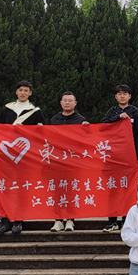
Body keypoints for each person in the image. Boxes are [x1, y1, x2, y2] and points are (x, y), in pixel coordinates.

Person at [0, 80, 44, 236]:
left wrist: (37, 129)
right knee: (5, 188)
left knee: (21, 188)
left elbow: (41, 135)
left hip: (25, 156)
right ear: (16, 92)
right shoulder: (7, 109)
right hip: (7, 155)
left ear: (30, 93)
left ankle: (18, 220)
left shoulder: (35, 112)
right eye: (21, 90)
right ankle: (4, 221)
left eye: (26, 90)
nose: (23, 93)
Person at [101, 84, 138, 232]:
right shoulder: (111, 112)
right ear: (115, 96)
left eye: (125, 93)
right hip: (113, 156)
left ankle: (127, 220)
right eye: (119, 94)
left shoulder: (135, 112)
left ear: (130, 96)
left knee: (128, 189)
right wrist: (118, 117)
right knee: (112, 188)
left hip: (129, 156)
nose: (122, 96)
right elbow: (102, 126)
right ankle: (112, 221)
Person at [49, 91, 89, 232]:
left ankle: (70, 220)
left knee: (72, 190)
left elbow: (86, 140)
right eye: (65, 100)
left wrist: (87, 129)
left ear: (75, 103)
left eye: (70, 100)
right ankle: (58, 220)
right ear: (61, 103)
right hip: (57, 161)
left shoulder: (80, 120)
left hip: (73, 162)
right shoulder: (54, 120)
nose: (67, 103)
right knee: (57, 191)